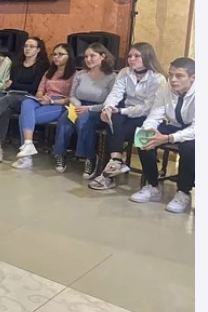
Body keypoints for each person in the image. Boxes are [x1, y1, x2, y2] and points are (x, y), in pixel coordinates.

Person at [87, 42, 165, 190]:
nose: (131, 59)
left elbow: (147, 108)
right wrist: (108, 108)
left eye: (136, 56)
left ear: (147, 57)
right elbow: (115, 94)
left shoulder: (157, 78)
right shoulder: (125, 72)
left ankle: (111, 175)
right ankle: (116, 161)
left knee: (118, 130)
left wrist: (121, 111)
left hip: (146, 116)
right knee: (112, 120)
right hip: (126, 112)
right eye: (129, 56)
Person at [130, 57, 195, 214]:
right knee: (143, 136)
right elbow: (155, 114)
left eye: (179, 76)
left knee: (189, 148)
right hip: (175, 125)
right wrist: (149, 130)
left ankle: (183, 192)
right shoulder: (165, 88)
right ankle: (153, 186)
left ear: (193, 78)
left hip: (193, 130)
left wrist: (168, 138)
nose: (173, 79)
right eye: (170, 74)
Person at [52, 43, 117, 176]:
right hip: (79, 106)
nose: (88, 59)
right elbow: (72, 95)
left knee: (84, 120)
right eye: (86, 56)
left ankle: (90, 158)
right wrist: (77, 105)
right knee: (65, 119)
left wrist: (88, 108)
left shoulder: (112, 77)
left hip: (99, 110)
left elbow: (111, 102)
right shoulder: (80, 74)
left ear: (103, 56)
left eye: (92, 56)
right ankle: (60, 154)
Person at [12, 43, 76, 170]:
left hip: (60, 104)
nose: (56, 57)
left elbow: (72, 98)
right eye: (55, 54)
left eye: (61, 54)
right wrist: (41, 97)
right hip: (44, 100)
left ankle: (27, 156)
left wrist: (51, 102)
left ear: (69, 56)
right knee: (26, 102)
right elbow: (40, 90)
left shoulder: (75, 74)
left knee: (23, 117)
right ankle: (28, 144)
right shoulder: (49, 72)